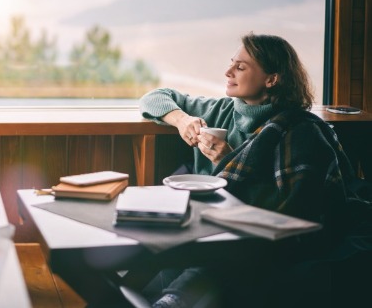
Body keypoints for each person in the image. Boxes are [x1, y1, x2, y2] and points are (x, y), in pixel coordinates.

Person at [139, 33, 371, 307]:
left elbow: (292, 205)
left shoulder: (301, 130)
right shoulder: (220, 111)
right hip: (206, 218)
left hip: (252, 228)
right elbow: (154, 97)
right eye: (231, 63)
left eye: (240, 67)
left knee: (218, 259)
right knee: (160, 259)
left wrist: (224, 160)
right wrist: (182, 120)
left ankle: (172, 300)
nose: (228, 72)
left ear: (271, 79)